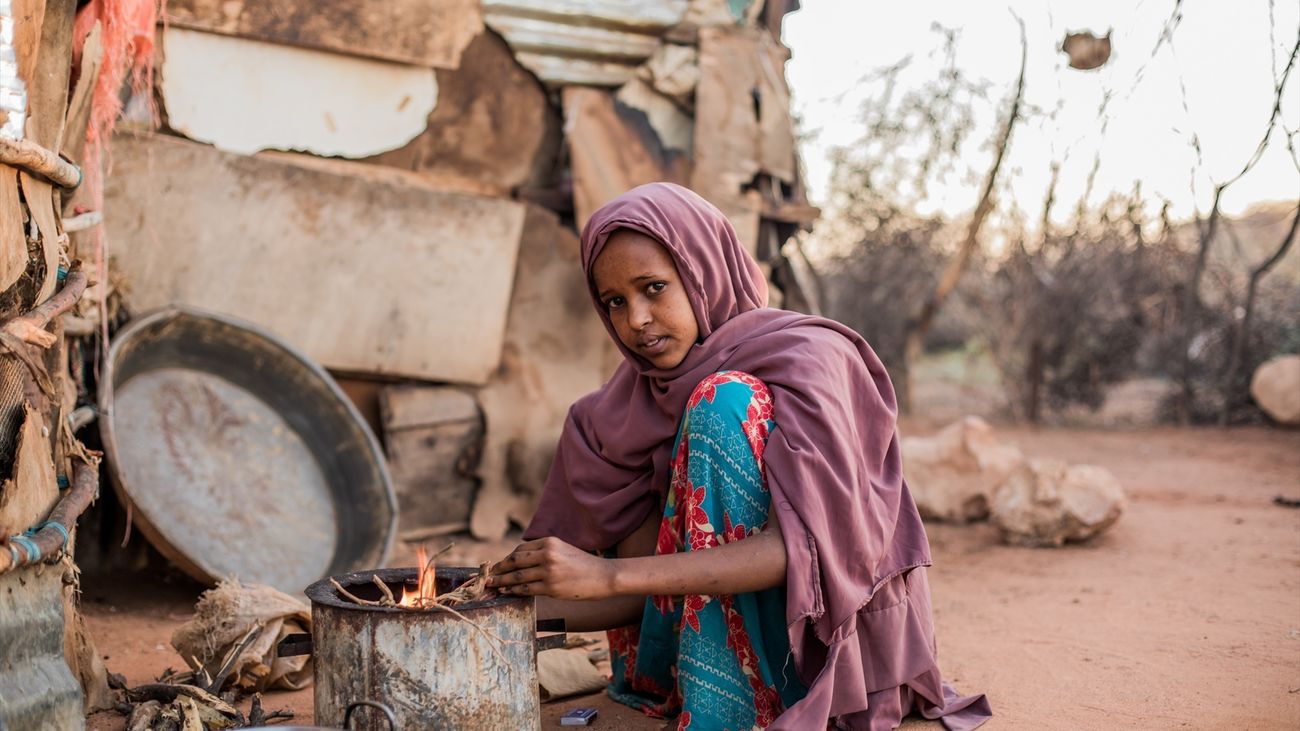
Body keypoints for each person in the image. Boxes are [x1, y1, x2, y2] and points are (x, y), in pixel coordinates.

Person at [489, 182, 991, 730]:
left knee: (723, 398)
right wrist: (486, 603)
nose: (635, 320)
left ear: (704, 269)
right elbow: (645, 591)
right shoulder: (611, 416)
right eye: (614, 301)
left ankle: (743, 706)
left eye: (654, 288)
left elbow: (798, 555)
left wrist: (606, 576)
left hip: (816, 655)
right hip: (681, 667)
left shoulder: (809, 361)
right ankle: (711, 693)